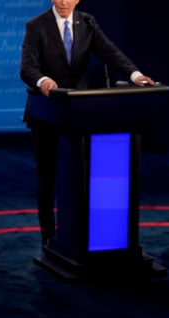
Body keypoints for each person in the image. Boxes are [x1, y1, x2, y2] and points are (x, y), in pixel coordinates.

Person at [19, 0, 155, 246]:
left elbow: (110, 52)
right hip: (46, 111)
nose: (63, 2)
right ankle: (49, 238)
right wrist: (43, 80)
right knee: (47, 179)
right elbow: (27, 68)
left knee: (78, 176)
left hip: (79, 113)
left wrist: (135, 75)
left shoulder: (87, 22)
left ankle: (77, 236)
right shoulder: (36, 26)